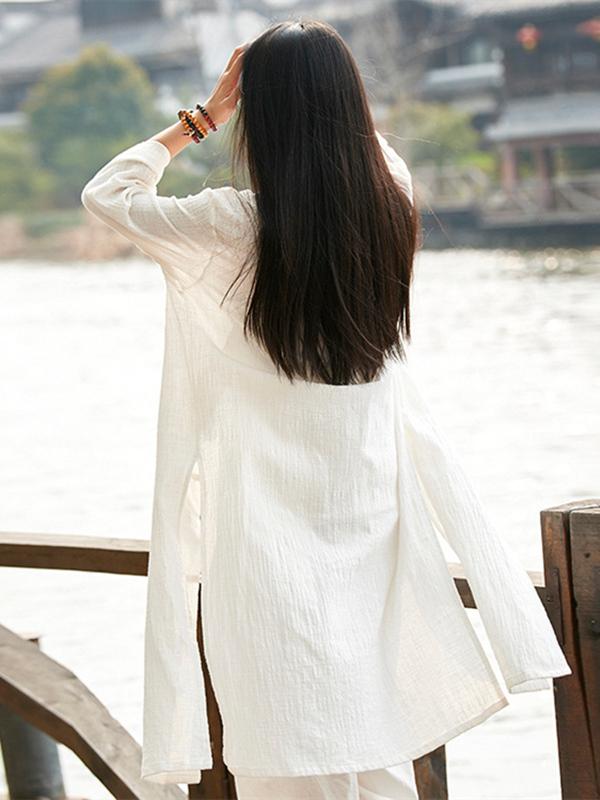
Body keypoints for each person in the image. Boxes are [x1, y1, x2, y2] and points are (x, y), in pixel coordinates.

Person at [80, 19, 571, 800]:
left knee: (286, 752)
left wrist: (203, 117)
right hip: (368, 524)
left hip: (264, 544)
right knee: (374, 749)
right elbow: (364, 151)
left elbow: (107, 194)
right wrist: (322, 94)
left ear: (260, 116)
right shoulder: (391, 203)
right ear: (351, 103)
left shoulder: (229, 225)